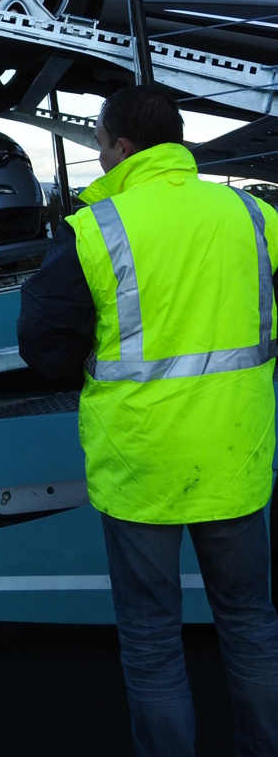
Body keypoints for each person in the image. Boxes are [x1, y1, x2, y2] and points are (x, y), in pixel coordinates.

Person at [17, 84, 278, 757]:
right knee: (251, 624)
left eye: (100, 144)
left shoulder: (96, 231)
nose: (99, 157)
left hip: (140, 466)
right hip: (235, 455)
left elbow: (44, 350)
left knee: (153, 640)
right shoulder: (253, 215)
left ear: (123, 147)